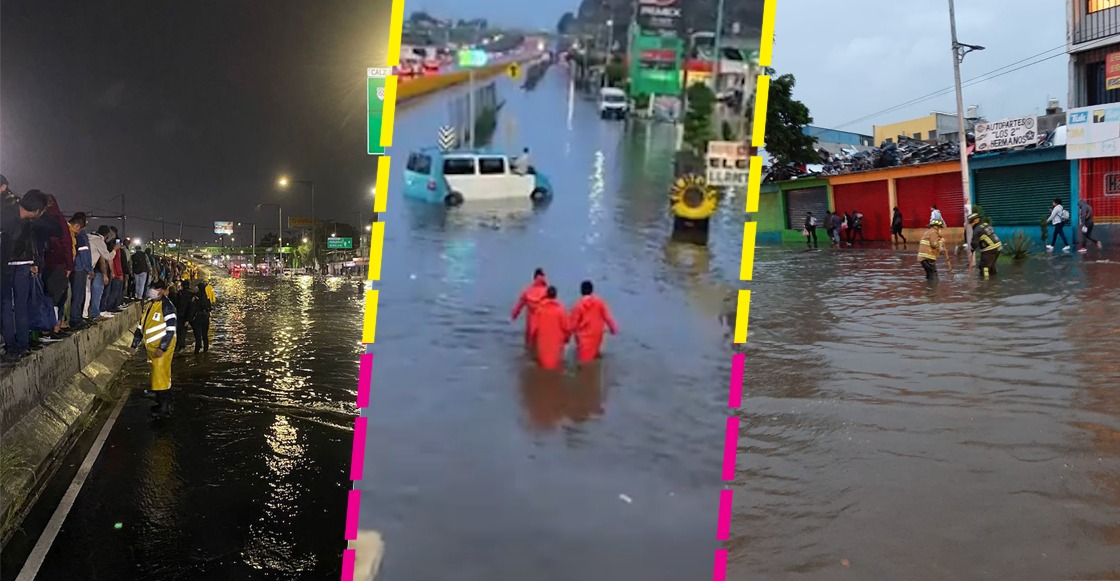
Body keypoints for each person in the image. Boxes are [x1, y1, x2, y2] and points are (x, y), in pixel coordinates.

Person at [1, 188, 50, 364]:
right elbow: (31, 242)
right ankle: (22, 345)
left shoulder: (7, 213)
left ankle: (12, 348)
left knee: (6, 306)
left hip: (6, 265)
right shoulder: (27, 222)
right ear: (36, 210)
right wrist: (34, 261)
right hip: (22, 265)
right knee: (20, 306)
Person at [132, 280, 178, 417]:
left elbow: (171, 329)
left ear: (162, 291)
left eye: (156, 289)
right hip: (152, 348)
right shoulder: (150, 305)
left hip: (162, 348)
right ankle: (160, 401)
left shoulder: (167, 306)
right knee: (157, 374)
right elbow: (141, 325)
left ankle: (164, 408)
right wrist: (134, 343)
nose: (152, 291)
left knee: (161, 376)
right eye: (152, 288)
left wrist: (162, 348)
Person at [40, 193, 74, 340]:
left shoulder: (38, 220)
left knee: (49, 297)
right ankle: (52, 329)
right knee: (57, 298)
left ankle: (51, 328)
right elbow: (66, 244)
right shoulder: (59, 221)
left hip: (43, 264)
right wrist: (69, 265)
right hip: (58, 264)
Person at [567, 280, 618, 364]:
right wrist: (613, 329)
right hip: (597, 335)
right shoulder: (600, 303)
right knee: (594, 353)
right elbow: (608, 318)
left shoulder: (578, 306)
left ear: (581, 291)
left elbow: (573, 325)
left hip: (584, 338)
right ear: (592, 290)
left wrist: (567, 336)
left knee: (584, 363)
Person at [533, 286, 570, 370]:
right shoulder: (561, 310)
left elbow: (534, 328)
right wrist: (567, 339)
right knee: (557, 364)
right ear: (556, 295)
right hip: (557, 342)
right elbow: (567, 328)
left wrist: (534, 339)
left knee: (543, 364)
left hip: (543, 342)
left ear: (546, 295)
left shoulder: (539, 309)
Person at [510, 268, 548, 347]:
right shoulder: (547, 291)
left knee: (529, 345)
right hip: (543, 322)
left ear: (534, 278)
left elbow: (519, 305)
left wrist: (514, 315)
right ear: (544, 278)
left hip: (531, 323)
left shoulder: (527, 291)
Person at [68, 213, 93, 331]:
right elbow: (84, 253)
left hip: (75, 268)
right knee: (78, 295)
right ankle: (75, 319)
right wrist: (89, 269)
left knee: (77, 295)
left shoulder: (73, 233)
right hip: (80, 269)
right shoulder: (81, 234)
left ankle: (76, 317)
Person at [88, 226, 115, 321]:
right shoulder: (99, 241)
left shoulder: (88, 237)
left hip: (85, 268)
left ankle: (86, 314)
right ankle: (95, 314)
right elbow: (106, 257)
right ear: (107, 235)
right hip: (93, 270)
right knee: (96, 293)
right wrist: (115, 250)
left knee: (87, 294)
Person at [967, 213, 1002, 278]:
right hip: (998, 247)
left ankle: (986, 281)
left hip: (990, 249)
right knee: (992, 265)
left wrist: (972, 249)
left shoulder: (977, 230)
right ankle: (993, 280)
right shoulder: (986, 224)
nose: (971, 224)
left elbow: (974, 243)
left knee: (984, 267)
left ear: (975, 221)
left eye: (971, 222)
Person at [189, 280, 212, 353]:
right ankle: (206, 350)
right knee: (205, 335)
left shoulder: (195, 297)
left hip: (197, 318)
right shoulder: (206, 297)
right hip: (205, 318)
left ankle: (197, 351)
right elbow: (209, 308)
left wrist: (189, 319)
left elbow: (192, 309)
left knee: (198, 336)